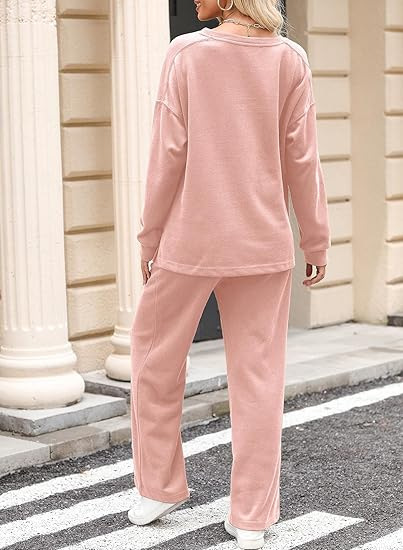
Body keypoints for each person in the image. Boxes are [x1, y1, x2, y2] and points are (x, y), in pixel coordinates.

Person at [128, 0, 331, 548]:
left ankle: (158, 488)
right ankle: (251, 517)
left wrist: (150, 236)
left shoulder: (186, 54)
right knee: (259, 379)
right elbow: (304, 159)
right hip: (264, 243)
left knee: (153, 361)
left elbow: (167, 153)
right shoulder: (290, 58)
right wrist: (315, 238)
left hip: (189, 242)